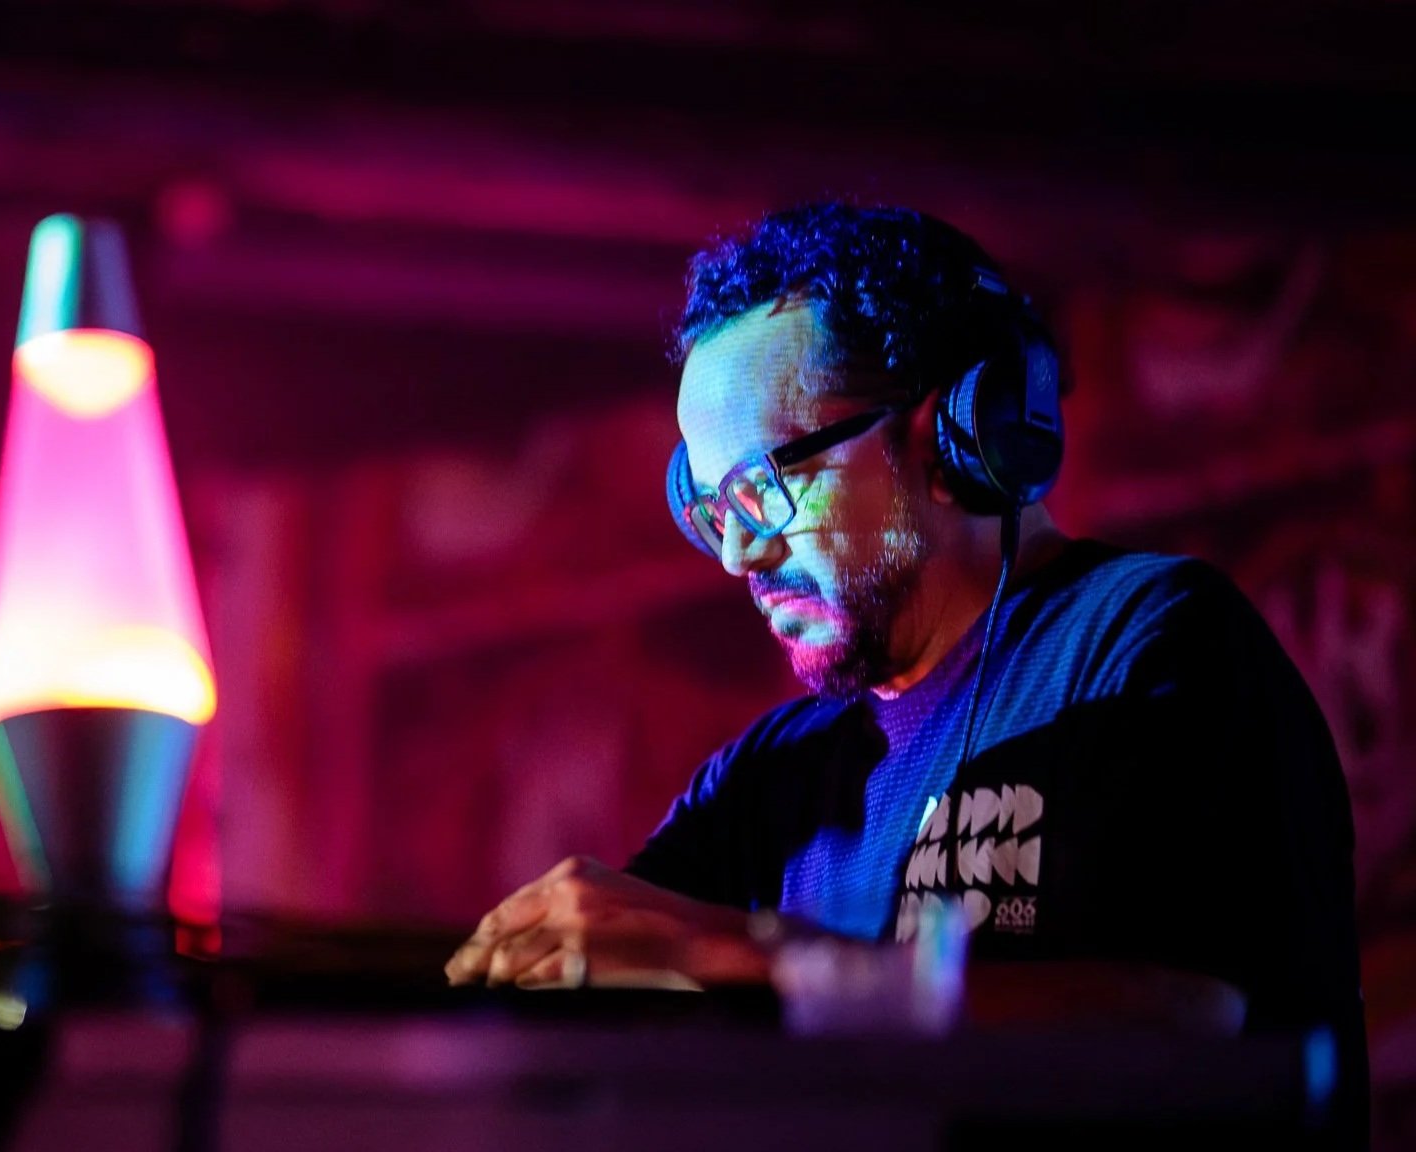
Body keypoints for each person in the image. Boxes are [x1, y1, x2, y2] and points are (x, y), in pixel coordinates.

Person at [443, 201, 1366, 1142]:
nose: (735, 555)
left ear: (950, 438)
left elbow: (1191, 1019)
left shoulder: (1147, 642)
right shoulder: (769, 778)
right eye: (710, 507)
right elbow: (596, 993)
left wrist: (745, 951)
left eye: (765, 486)